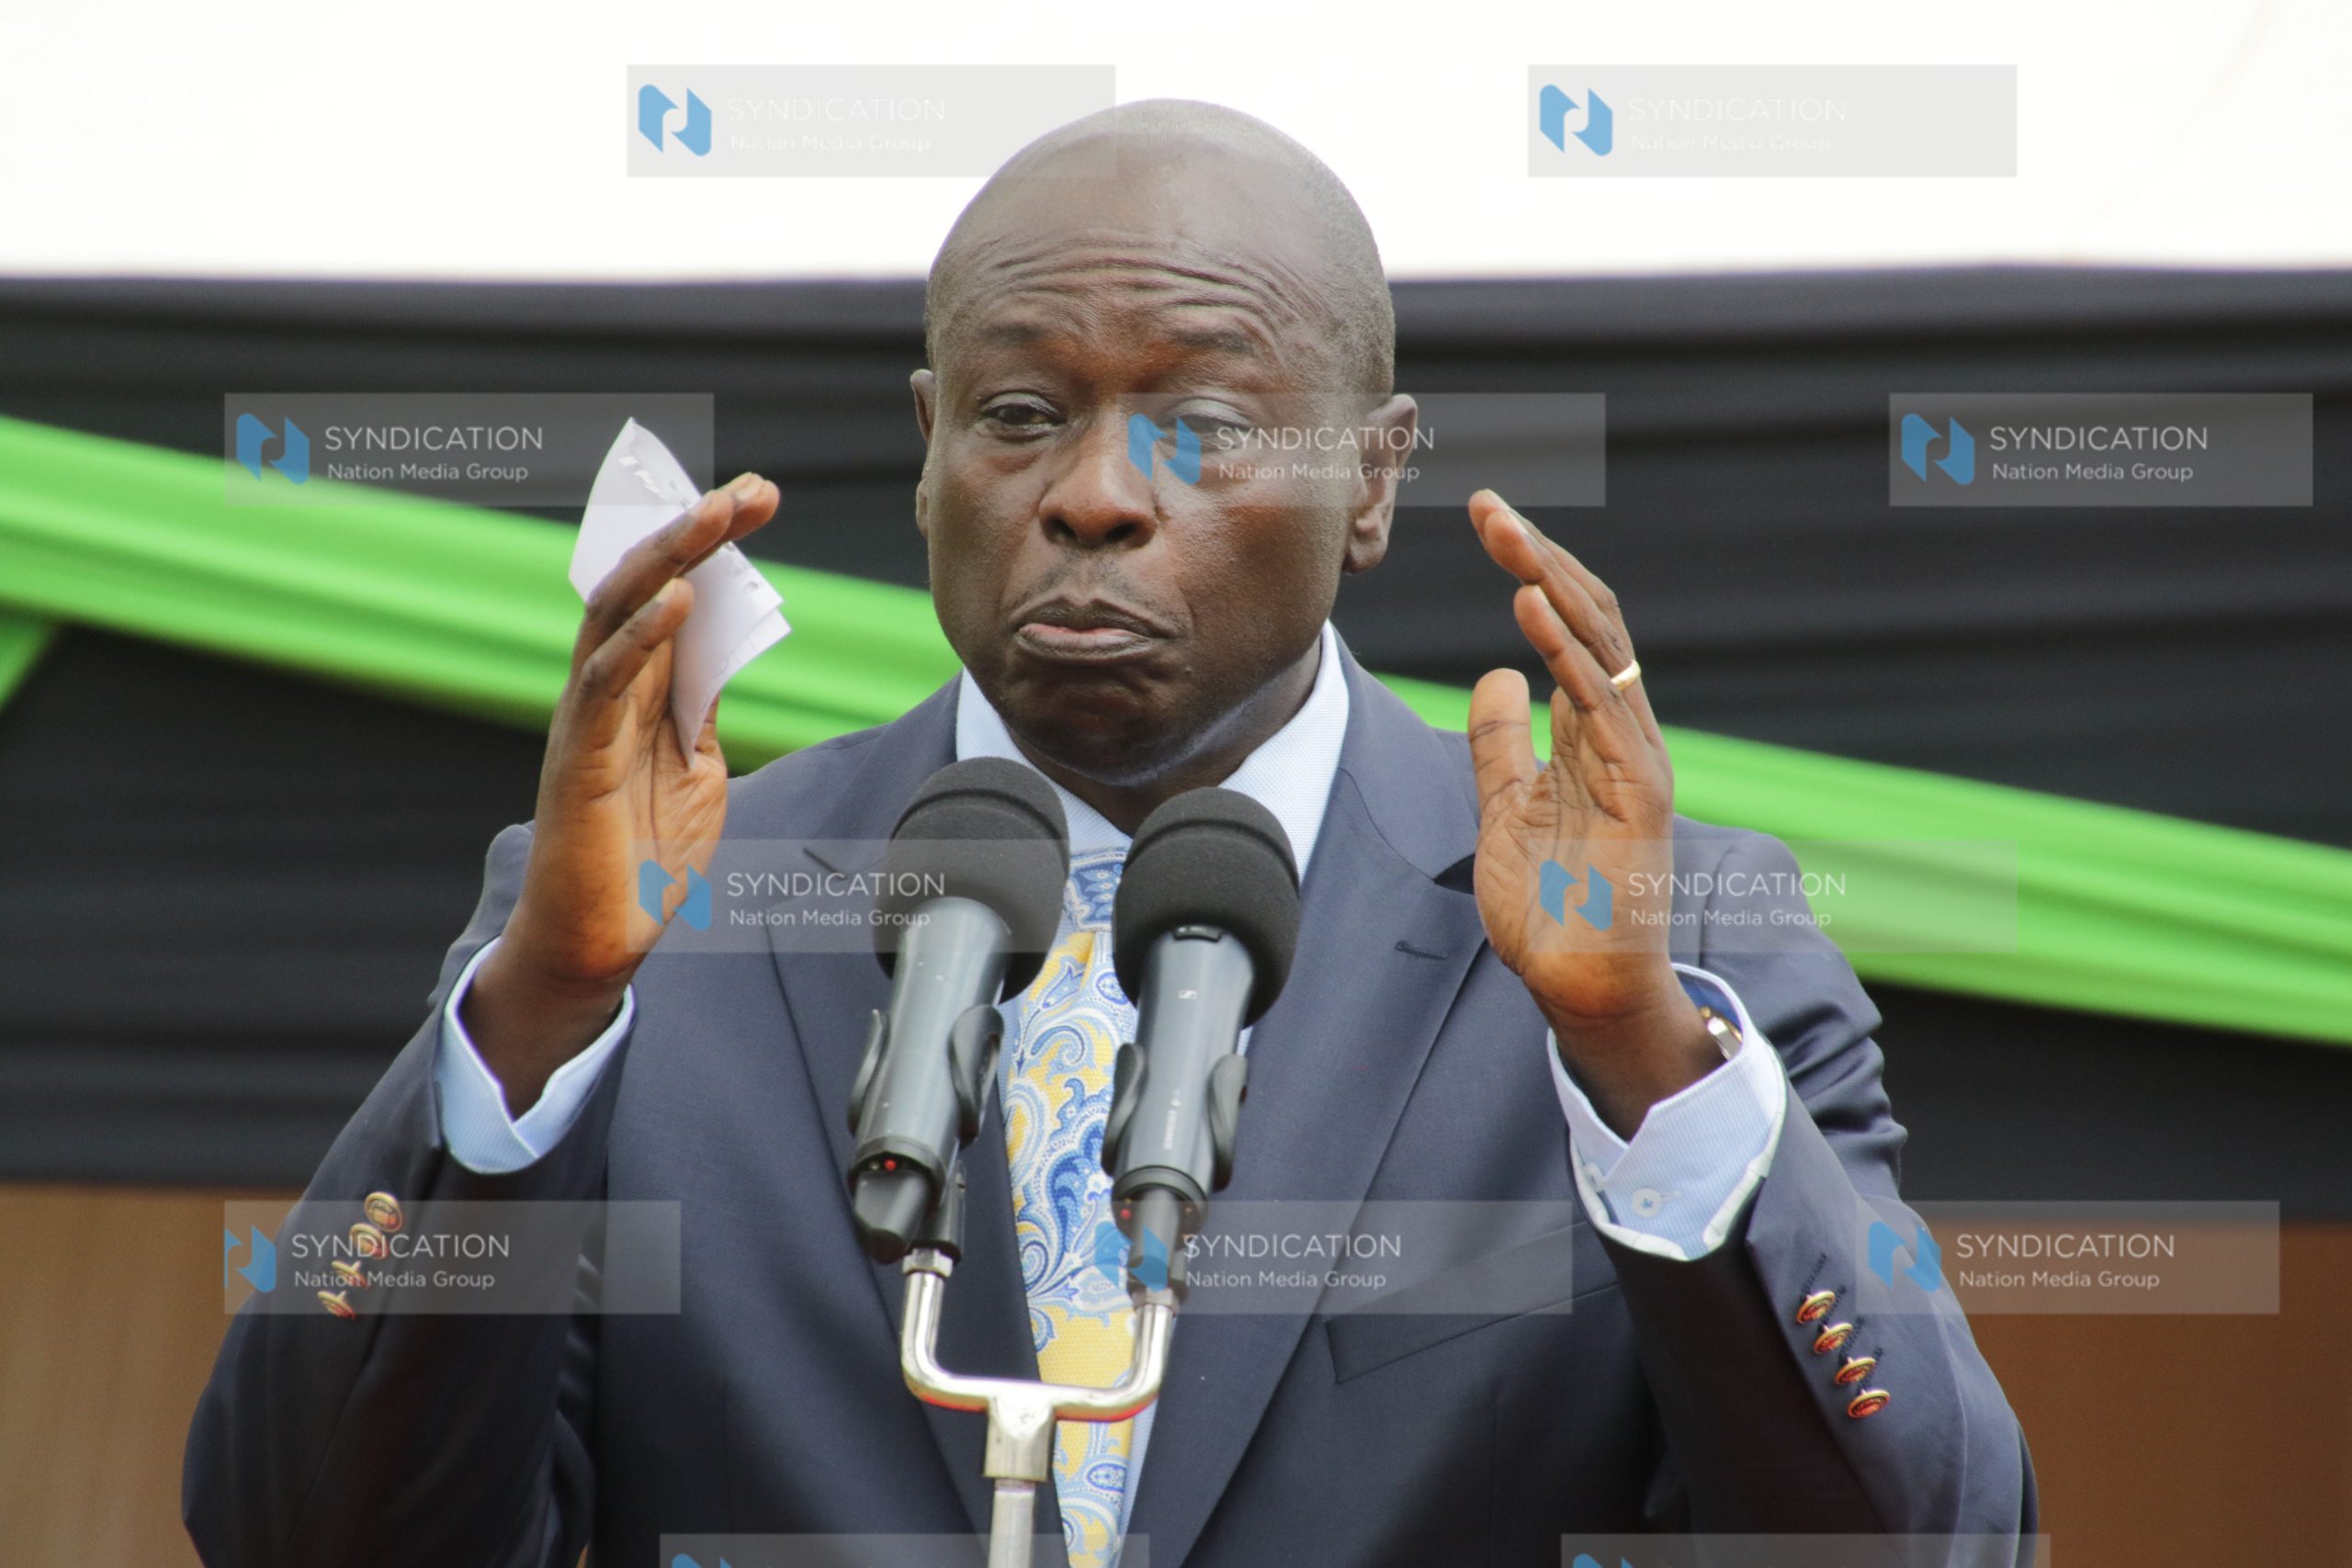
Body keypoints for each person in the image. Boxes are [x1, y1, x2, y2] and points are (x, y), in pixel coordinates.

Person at [185, 99, 2033, 1568]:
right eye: (1016, 415)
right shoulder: (629, 927)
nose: (1087, 496)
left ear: (1368, 477)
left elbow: (1927, 1540)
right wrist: (539, 1021)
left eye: (1202, 424)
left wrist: (1635, 1056)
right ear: (924, 451)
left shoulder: (1656, 939)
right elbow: (300, 1534)